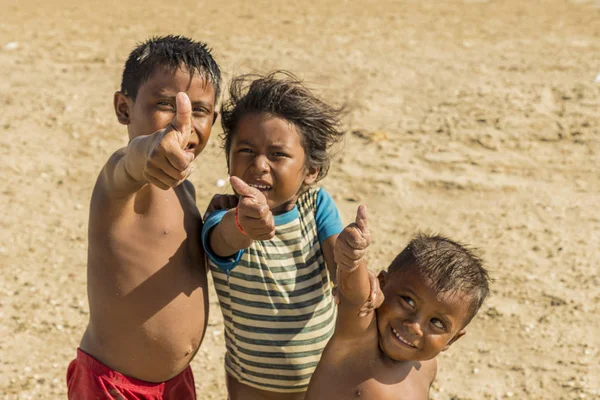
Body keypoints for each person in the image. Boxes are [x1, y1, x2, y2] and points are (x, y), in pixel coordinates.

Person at [201, 71, 380, 400]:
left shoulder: (316, 205)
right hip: (252, 388)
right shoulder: (222, 215)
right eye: (245, 150)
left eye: (277, 154)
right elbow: (223, 241)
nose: (259, 164)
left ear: (310, 170)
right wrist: (244, 224)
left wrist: (351, 256)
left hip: (323, 381)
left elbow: (337, 267)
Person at [66, 35, 221, 399]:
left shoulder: (185, 190)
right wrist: (148, 150)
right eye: (165, 104)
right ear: (124, 108)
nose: (183, 123)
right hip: (115, 387)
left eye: (199, 111)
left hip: (174, 384)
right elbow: (132, 162)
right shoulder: (119, 184)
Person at [306, 206, 491, 399]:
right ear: (381, 285)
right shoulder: (358, 338)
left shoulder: (426, 368)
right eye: (408, 301)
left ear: (451, 340)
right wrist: (352, 261)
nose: (414, 327)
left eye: (436, 323)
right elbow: (355, 296)